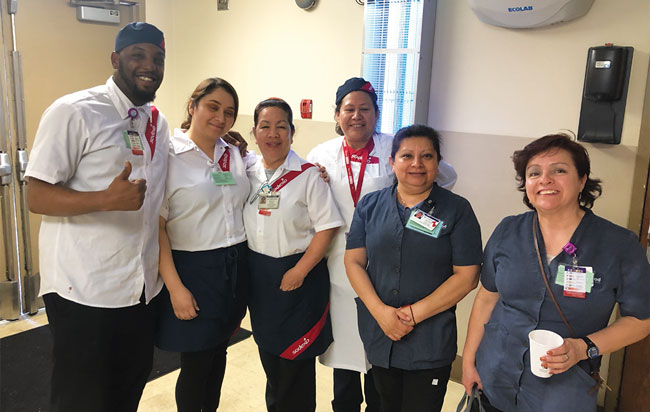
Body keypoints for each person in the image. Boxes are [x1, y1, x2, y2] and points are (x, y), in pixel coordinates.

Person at [25, 23, 168, 412]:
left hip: (139, 289)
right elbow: (35, 195)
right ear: (115, 59)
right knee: (82, 398)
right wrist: (103, 199)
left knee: (127, 390)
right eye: (138, 55)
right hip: (84, 289)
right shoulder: (74, 111)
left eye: (158, 58)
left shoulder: (156, 121)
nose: (149, 66)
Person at [461, 134, 650, 412]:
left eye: (559, 170)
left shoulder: (618, 245)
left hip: (562, 393)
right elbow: (486, 299)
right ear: (526, 184)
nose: (545, 179)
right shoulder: (508, 231)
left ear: (582, 180)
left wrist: (582, 348)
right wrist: (468, 361)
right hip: (494, 376)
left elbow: (640, 320)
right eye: (534, 172)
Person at [307, 77, 457, 412]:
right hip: (338, 267)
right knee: (344, 358)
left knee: (380, 362)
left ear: (376, 114)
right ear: (336, 115)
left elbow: (445, 175)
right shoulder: (320, 154)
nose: (356, 115)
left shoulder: (395, 147)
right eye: (349, 109)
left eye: (365, 109)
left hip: (389, 265)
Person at [344, 124, 482, 412]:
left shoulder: (457, 210)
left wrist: (410, 316)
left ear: (438, 163)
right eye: (407, 156)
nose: (417, 164)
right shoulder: (370, 205)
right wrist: (381, 313)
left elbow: (467, 276)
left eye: (427, 156)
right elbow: (354, 261)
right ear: (392, 162)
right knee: (383, 405)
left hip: (429, 341)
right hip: (380, 332)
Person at [156, 77, 252, 411]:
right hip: (193, 270)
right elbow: (157, 228)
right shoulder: (168, 155)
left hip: (235, 266)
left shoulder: (235, 153)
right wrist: (175, 288)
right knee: (196, 362)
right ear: (192, 106)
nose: (221, 118)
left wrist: (318, 172)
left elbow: (271, 176)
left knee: (218, 352)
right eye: (213, 107)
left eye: (229, 112)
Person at [243, 98, 344, 412]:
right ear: (254, 132)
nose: (273, 134)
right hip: (260, 279)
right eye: (265, 126)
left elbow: (327, 228)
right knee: (271, 360)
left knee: (295, 368)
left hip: (299, 278)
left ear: (292, 132)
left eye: (281, 126)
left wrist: (299, 271)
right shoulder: (247, 170)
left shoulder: (308, 175)